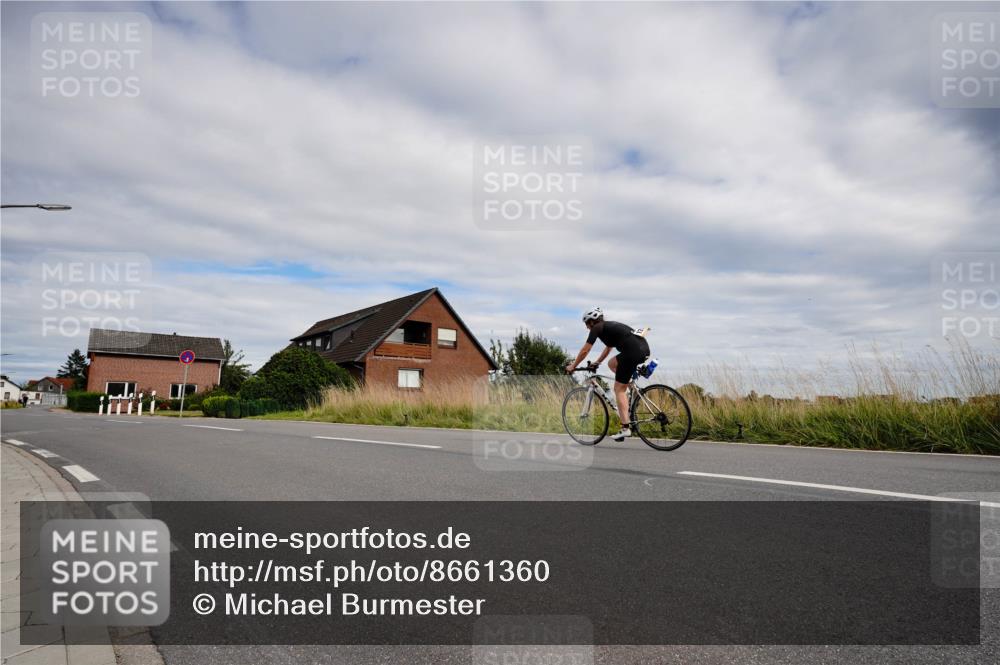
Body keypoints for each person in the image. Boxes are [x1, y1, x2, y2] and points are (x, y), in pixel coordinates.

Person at [565, 307, 650, 441]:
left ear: (592, 322)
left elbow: (585, 350)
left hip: (632, 353)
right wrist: (598, 362)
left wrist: (573, 366)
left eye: (586, 324)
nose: (587, 328)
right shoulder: (609, 327)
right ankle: (631, 386)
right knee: (612, 364)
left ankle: (625, 428)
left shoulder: (597, 328)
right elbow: (608, 348)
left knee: (618, 389)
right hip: (643, 350)